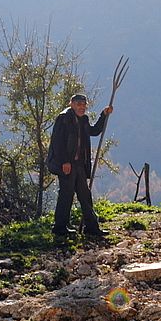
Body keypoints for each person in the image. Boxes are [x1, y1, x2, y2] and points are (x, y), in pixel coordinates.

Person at [47, 94, 113, 237]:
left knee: (85, 195)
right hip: (67, 164)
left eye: (84, 105)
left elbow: (94, 131)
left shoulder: (84, 119)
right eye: (79, 104)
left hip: (79, 164)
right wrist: (64, 161)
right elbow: (57, 142)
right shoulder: (63, 118)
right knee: (66, 195)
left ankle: (91, 227)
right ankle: (59, 227)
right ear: (71, 104)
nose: (82, 107)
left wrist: (103, 115)